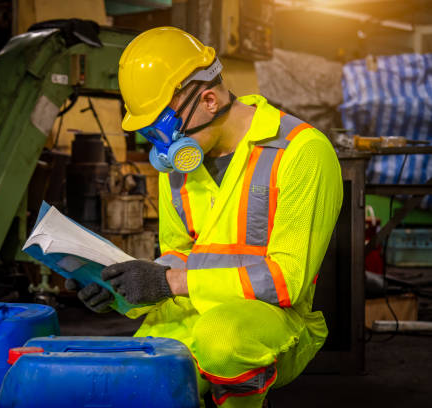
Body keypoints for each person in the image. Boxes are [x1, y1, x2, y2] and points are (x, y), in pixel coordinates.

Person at [66, 26, 343, 408]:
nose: (160, 145)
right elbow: (180, 255)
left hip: (273, 323)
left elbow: (286, 282)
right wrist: (120, 290)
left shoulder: (301, 152)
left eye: (163, 128)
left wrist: (169, 283)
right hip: (193, 310)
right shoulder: (179, 166)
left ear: (209, 100)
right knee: (137, 380)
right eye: (149, 132)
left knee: (221, 339)